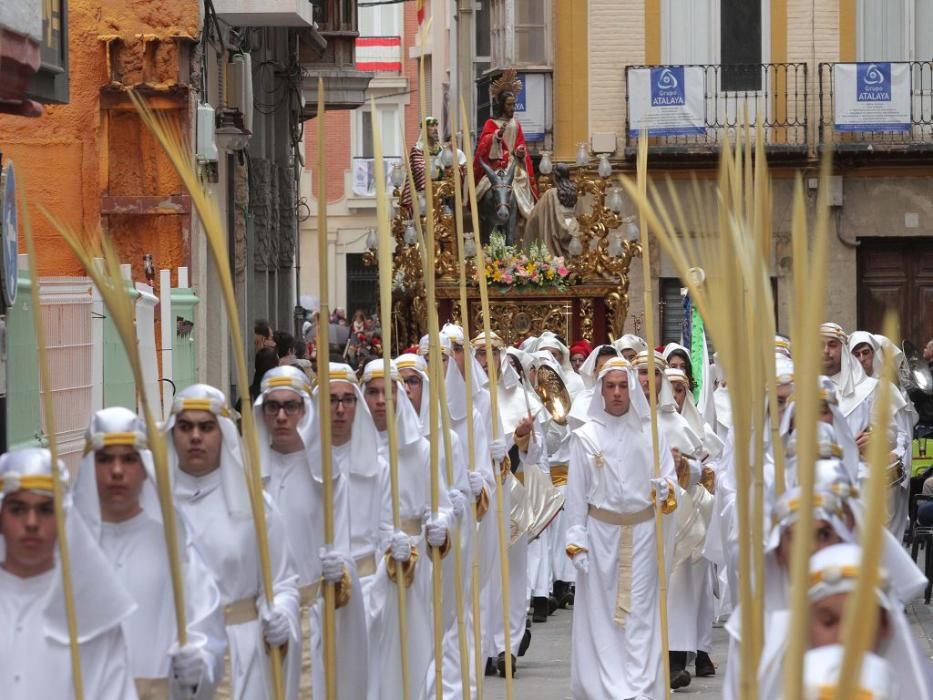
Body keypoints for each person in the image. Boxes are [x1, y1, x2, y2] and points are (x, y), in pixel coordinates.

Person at [74, 407, 226, 700]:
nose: (117, 471)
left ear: (144, 467)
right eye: (104, 459)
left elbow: (204, 625)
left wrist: (200, 662)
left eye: (129, 459)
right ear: (89, 466)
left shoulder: (174, 546)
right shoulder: (69, 551)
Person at [167, 384, 300, 700]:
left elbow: (282, 583)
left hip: (243, 657)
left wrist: (281, 612)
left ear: (223, 433)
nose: (195, 436)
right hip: (173, 658)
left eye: (206, 427)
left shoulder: (256, 506)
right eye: (185, 427)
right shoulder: (156, 508)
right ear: (172, 434)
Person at [564, 357, 678, 699]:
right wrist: (576, 538)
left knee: (641, 613)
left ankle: (641, 685)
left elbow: (671, 485)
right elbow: (576, 493)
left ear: (632, 389)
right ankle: (606, 686)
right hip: (600, 536)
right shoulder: (585, 437)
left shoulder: (652, 432)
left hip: (643, 535)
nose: (617, 393)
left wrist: (666, 491)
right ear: (600, 390)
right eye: (610, 386)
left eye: (623, 385)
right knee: (602, 614)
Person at [254, 366, 367, 700]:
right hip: (259, 621)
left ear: (305, 410)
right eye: (273, 407)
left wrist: (340, 568)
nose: (282, 416)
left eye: (292, 406)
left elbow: (343, 547)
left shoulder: (327, 475)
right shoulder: (247, 475)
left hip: (314, 615)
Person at [0, 448, 137, 699]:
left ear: (64, 518)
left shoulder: (91, 615)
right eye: (18, 509)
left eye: (45, 510)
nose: (31, 522)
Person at [473, 70, 539, 234]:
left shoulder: (516, 124)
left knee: (521, 184)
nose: (512, 108)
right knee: (485, 189)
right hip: (496, 164)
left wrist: (520, 151)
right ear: (502, 105)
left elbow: (520, 143)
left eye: (514, 104)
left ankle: (523, 219)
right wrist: (496, 136)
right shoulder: (491, 122)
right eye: (509, 105)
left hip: (513, 164)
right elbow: (483, 144)